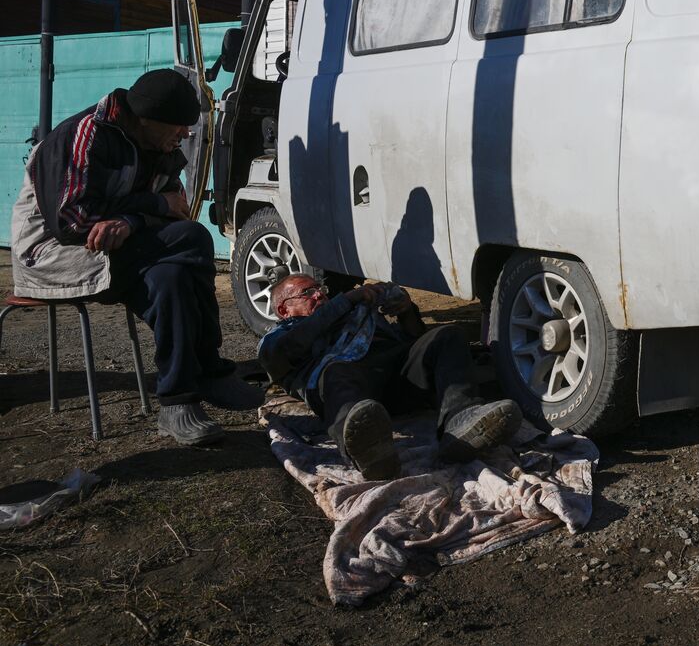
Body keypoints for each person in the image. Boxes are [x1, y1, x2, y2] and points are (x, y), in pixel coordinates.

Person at [10, 68, 261, 445]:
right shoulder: (83, 136)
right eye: (177, 126)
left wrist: (131, 218)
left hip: (119, 253)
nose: (185, 135)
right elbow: (70, 220)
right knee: (191, 239)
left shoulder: (163, 150)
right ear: (146, 119)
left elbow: (173, 210)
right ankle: (210, 369)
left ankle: (177, 402)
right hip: (53, 256)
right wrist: (149, 206)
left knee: (171, 277)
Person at [259, 274, 522, 480]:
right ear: (284, 310)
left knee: (447, 336)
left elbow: (415, 339)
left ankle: (460, 426)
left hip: (396, 380)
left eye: (320, 289)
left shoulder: (356, 315)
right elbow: (282, 353)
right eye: (308, 293)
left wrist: (406, 310)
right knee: (337, 372)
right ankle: (370, 451)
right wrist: (347, 300)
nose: (320, 294)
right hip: (351, 392)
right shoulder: (278, 338)